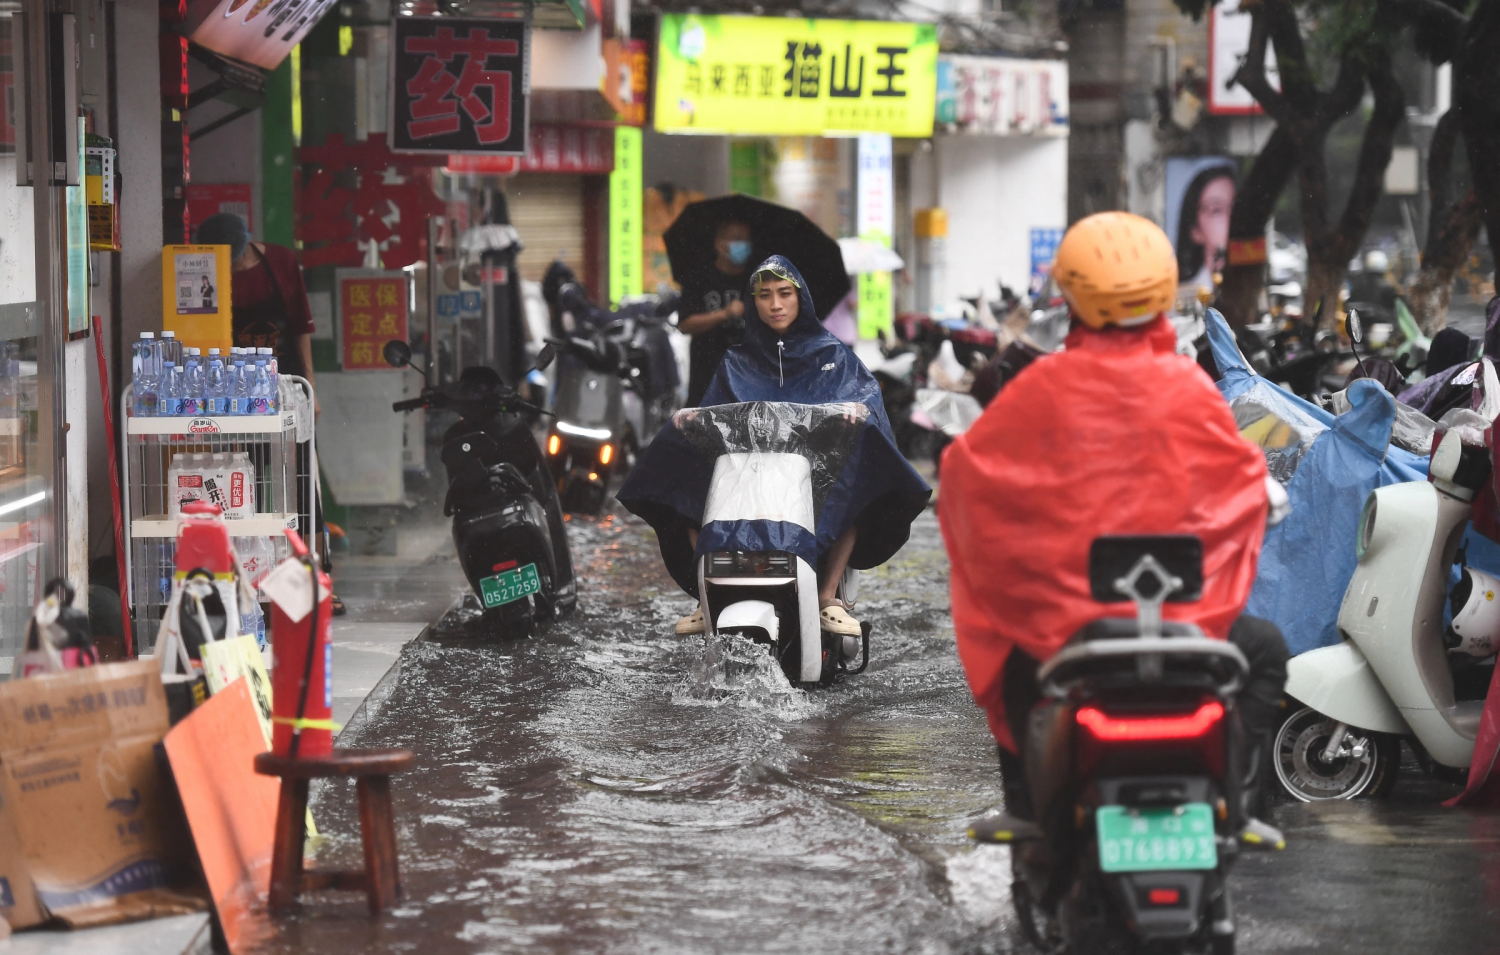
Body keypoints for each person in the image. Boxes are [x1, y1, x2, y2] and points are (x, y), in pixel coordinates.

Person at [939, 212, 1288, 827]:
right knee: (1265, 650)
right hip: (1184, 632)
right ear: (1163, 293)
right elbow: (1241, 485)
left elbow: (969, 486)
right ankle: (1235, 804)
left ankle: (1027, 811)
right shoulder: (1193, 389)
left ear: (1071, 296)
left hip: (1066, 636)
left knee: (1012, 664)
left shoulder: (1037, 389)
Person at [618, 255, 930, 637]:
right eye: (764, 295)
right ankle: (706, 593)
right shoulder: (736, 361)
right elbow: (713, 414)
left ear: (801, 298)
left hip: (818, 480)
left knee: (861, 475)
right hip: (749, 477)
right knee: (678, 475)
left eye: (785, 293)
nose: (776, 304)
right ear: (753, 302)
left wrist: (856, 416)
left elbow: (866, 404)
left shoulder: (834, 357)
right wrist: (687, 421)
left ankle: (827, 597)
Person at [195, 213, 342, 613]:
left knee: (303, 479)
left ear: (248, 244)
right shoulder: (201, 270)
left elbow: (301, 323)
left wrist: (311, 387)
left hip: (287, 389)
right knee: (248, 478)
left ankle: (316, 577)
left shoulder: (279, 262)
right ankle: (255, 579)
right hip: (235, 395)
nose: (234, 269)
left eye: (238, 260)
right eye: (226, 263)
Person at [677, 220, 754, 407]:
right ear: (720, 244)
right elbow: (685, 324)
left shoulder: (757, 279)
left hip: (747, 378)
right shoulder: (699, 278)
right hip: (707, 377)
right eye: (737, 240)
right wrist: (725, 313)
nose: (743, 245)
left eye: (747, 240)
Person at [1175, 165, 1235, 295]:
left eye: (1235, 207)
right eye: (1216, 210)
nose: (1230, 218)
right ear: (1195, 230)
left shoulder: (1250, 291)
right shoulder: (1185, 295)